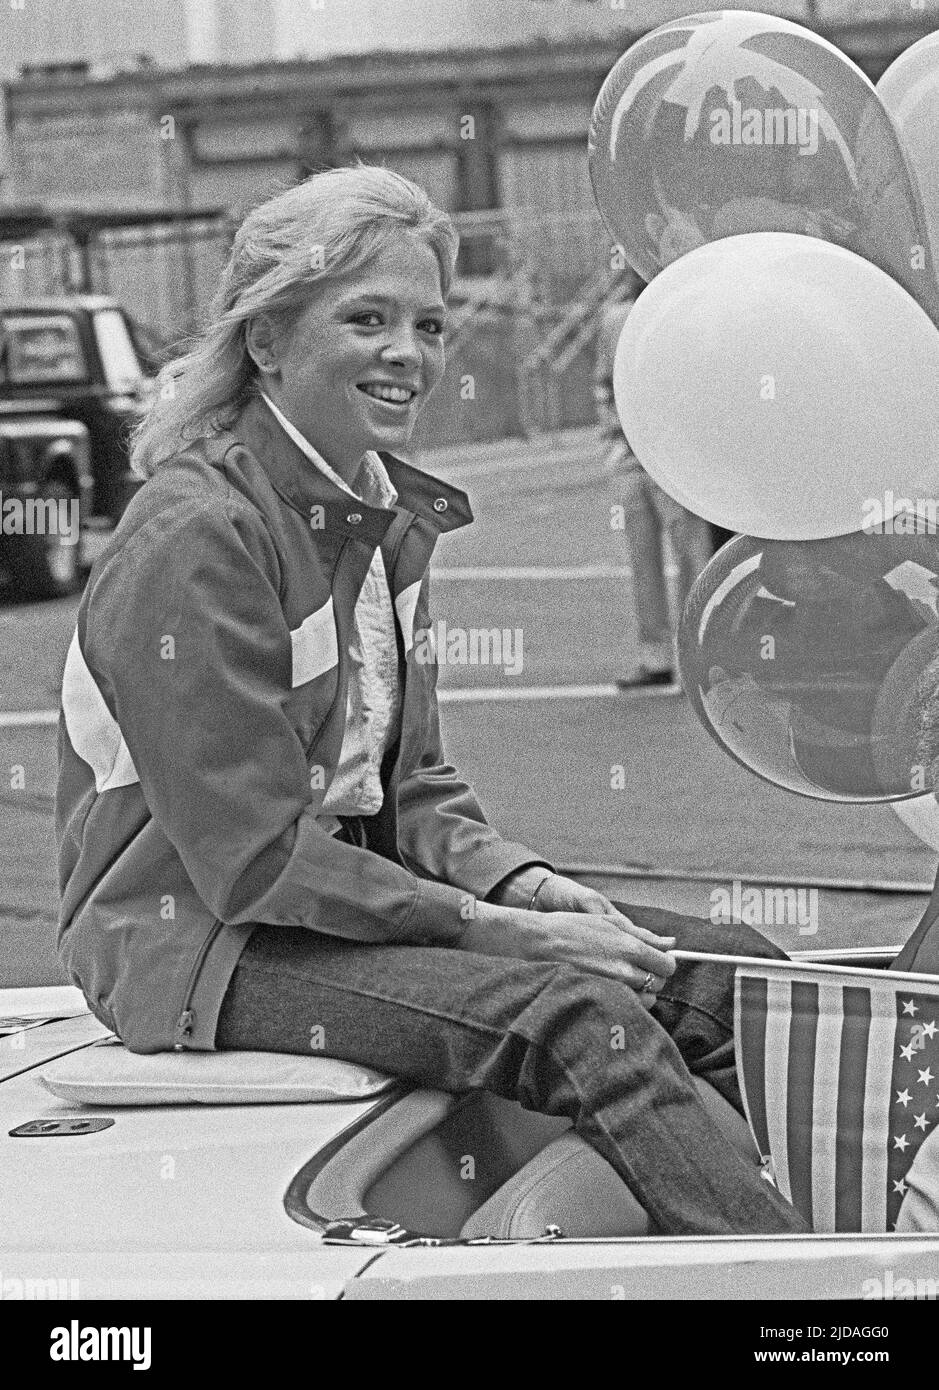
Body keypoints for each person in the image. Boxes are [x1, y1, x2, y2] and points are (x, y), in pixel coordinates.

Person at [54, 165, 806, 1237]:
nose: (409, 353)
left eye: (429, 324)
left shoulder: (380, 511)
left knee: (739, 979)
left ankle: (797, 1234)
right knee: (577, 1017)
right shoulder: (197, 538)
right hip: (203, 946)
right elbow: (253, 858)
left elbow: (419, 788)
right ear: (265, 340)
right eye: (366, 318)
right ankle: (809, 1307)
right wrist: (500, 936)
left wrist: (530, 887)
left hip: (341, 910)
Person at [594, 281, 714, 689]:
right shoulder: (614, 319)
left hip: (678, 460)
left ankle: (698, 658)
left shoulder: (688, 317)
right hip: (630, 459)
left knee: (694, 561)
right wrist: (615, 437)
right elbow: (603, 384)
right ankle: (655, 657)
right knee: (643, 560)